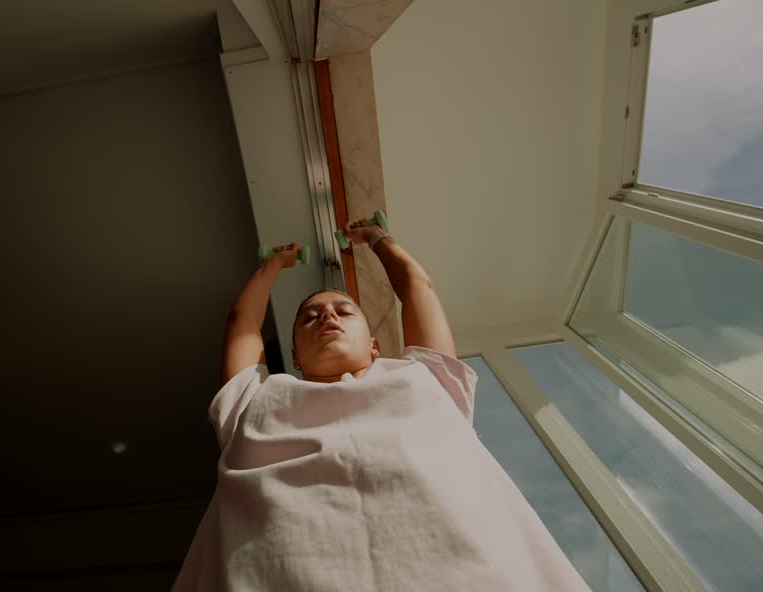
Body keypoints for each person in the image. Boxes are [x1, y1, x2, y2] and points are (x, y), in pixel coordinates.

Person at [173, 218, 589, 591]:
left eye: (343, 311)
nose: (328, 318)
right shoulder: (255, 398)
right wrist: (274, 265)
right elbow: (240, 322)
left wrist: (376, 237)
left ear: (375, 345)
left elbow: (417, 286)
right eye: (310, 317)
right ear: (295, 353)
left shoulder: (424, 377)